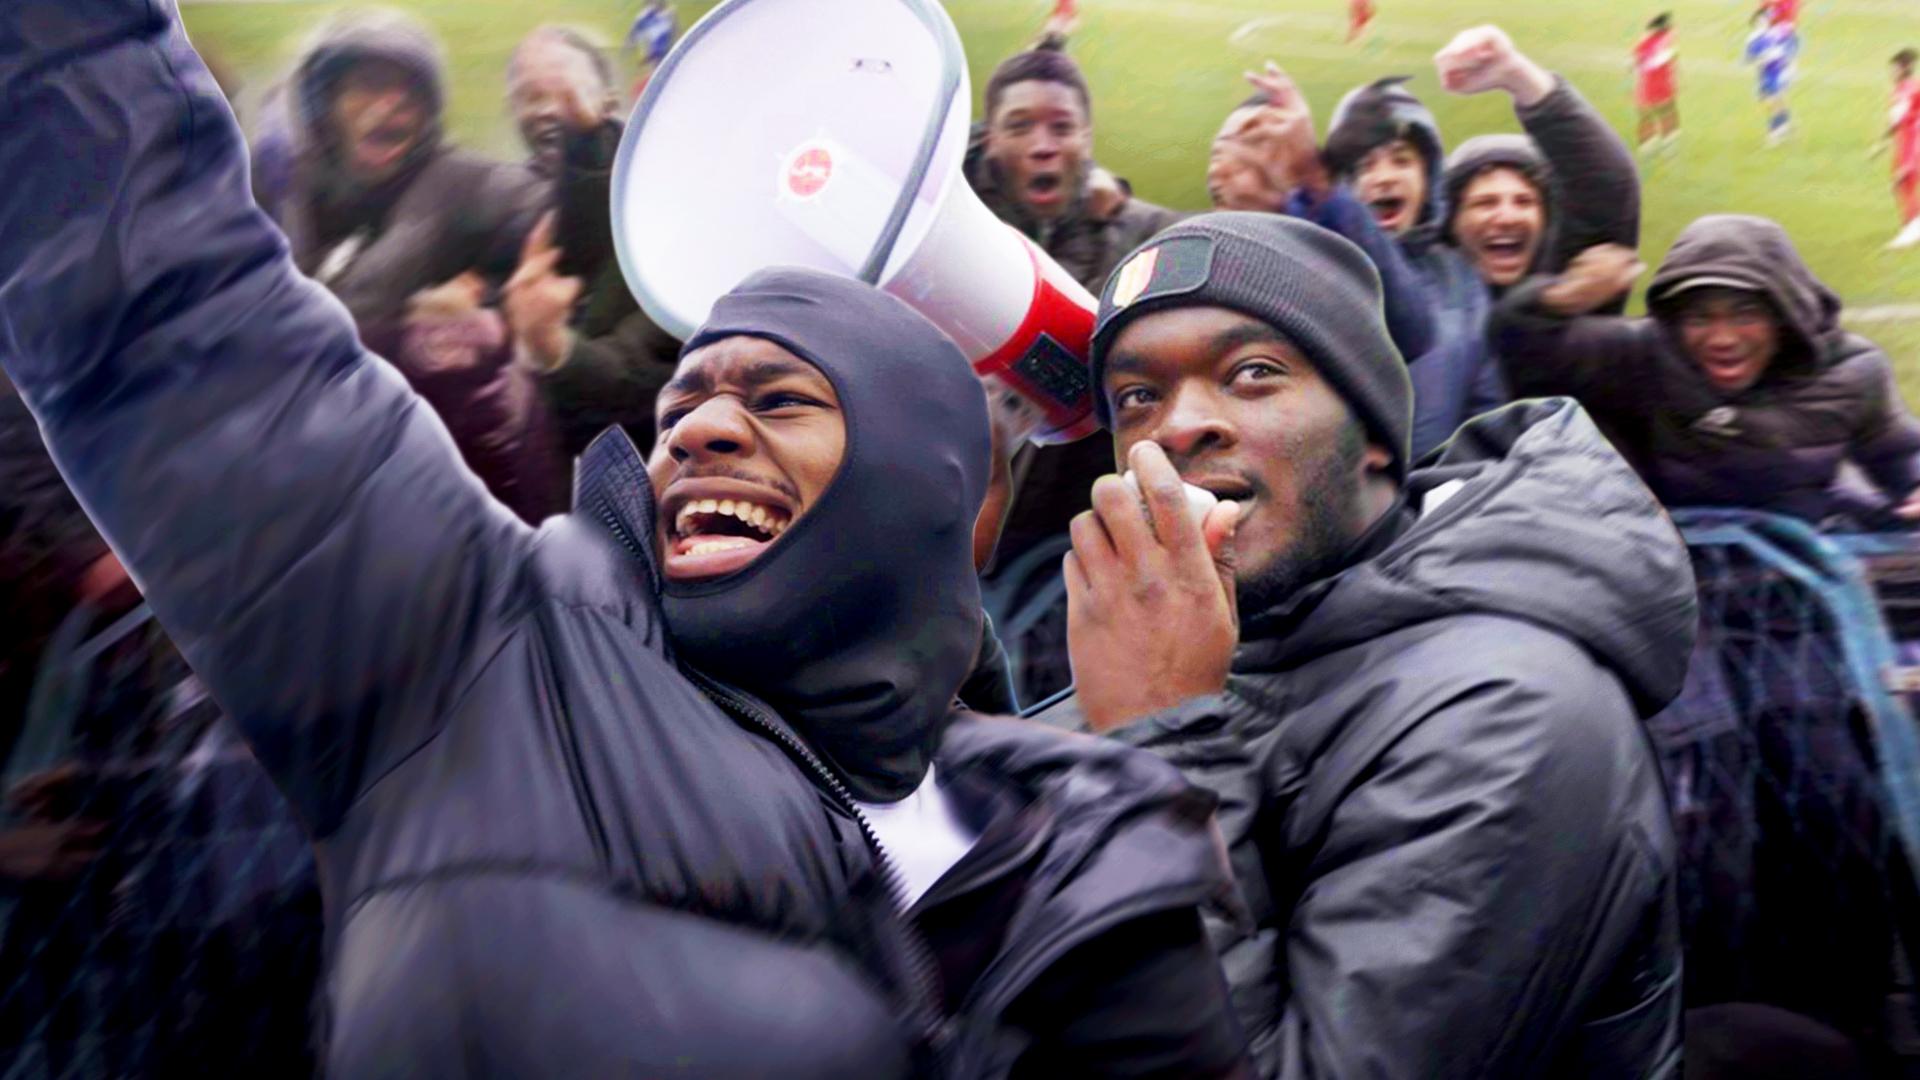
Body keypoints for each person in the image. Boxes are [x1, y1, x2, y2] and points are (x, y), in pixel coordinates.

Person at [0, 5, 1254, 1074]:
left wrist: (1168, 759)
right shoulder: (481, 645)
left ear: (920, 490)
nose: (698, 427)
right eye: (680, 405)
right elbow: (169, 311)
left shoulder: (1078, 836)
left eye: (779, 400)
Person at [1039, 211, 1692, 1077]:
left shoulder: (1513, 712)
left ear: (1376, 438)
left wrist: (1158, 741)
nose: (1179, 425)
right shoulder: (1200, 638)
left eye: (1253, 372)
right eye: (1136, 397)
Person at [254, 8, 559, 521]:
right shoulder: (284, 188)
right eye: (369, 85)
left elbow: (550, 213)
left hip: (426, 487)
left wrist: (491, 304)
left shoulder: (458, 184)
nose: (392, 103)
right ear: (326, 104)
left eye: (410, 91)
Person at [967, 45, 1185, 702]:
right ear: (989, 139)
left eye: (1061, 128)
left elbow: (1208, 254)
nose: (1043, 145)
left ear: (1087, 139)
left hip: (1060, 543)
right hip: (950, 531)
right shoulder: (949, 223)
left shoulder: (1132, 231)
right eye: (1020, 126)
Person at [1492, 218, 1920, 526]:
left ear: (1784, 315)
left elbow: (1897, 451)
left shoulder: (1852, 369)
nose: (1722, 338)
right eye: (1700, 318)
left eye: (1746, 314)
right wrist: (1564, 297)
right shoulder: (1645, 353)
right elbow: (1523, 344)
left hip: (1804, 573)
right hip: (1679, 580)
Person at [502, 25, 682, 460]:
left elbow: (643, 377)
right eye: (531, 96)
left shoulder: (667, 211)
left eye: (570, 91)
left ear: (610, 101)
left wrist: (553, 349)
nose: (550, 109)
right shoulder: (501, 205)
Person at [1744, 9, 1799, 147]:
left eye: (1765, 20)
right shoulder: (1753, 38)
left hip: (1779, 70)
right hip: (1764, 73)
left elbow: (1793, 42)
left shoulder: (1777, 32)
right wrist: (1759, 59)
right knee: (1771, 102)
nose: (1762, 22)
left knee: (1774, 101)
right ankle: (1785, 123)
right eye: (1759, 20)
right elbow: (1749, 58)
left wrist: (1790, 61)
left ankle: (1774, 133)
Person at [1885, 48, 1920, 250]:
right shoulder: (1904, 88)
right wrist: (1883, 142)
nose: (1892, 72)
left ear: (1903, 69)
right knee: (1901, 184)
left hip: (1912, 142)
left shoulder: (1907, 90)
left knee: (1904, 180)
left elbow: (1900, 117)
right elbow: (1896, 121)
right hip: (1905, 140)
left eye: (1894, 68)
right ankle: (1911, 224)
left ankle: (1912, 228)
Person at [1635, 13, 1681, 153]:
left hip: (1653, 83)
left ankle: (1652, 143)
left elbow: (1641, 62)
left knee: (1651, 113)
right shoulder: (1660, 40)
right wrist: (1669, 55)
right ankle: (1665, 142)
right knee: (1663, 111)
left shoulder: (1649, 41)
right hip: (1658, 83)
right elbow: (1649, 62)